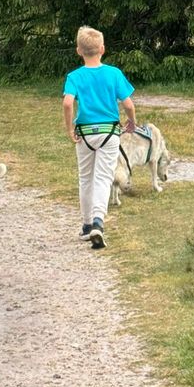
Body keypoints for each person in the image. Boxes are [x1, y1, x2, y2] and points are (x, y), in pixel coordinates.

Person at [62, 26, 136, 250]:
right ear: (102, 49)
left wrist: (69, 128)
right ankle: (98, 222)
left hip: (84, 133)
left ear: (78, 51)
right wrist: (131, 121)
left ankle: (86, 225)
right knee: (103, 177)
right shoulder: (113, 73)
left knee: (85, 177)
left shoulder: (74, 76)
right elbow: (128, 104)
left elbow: (67, 102)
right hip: (109, 133)